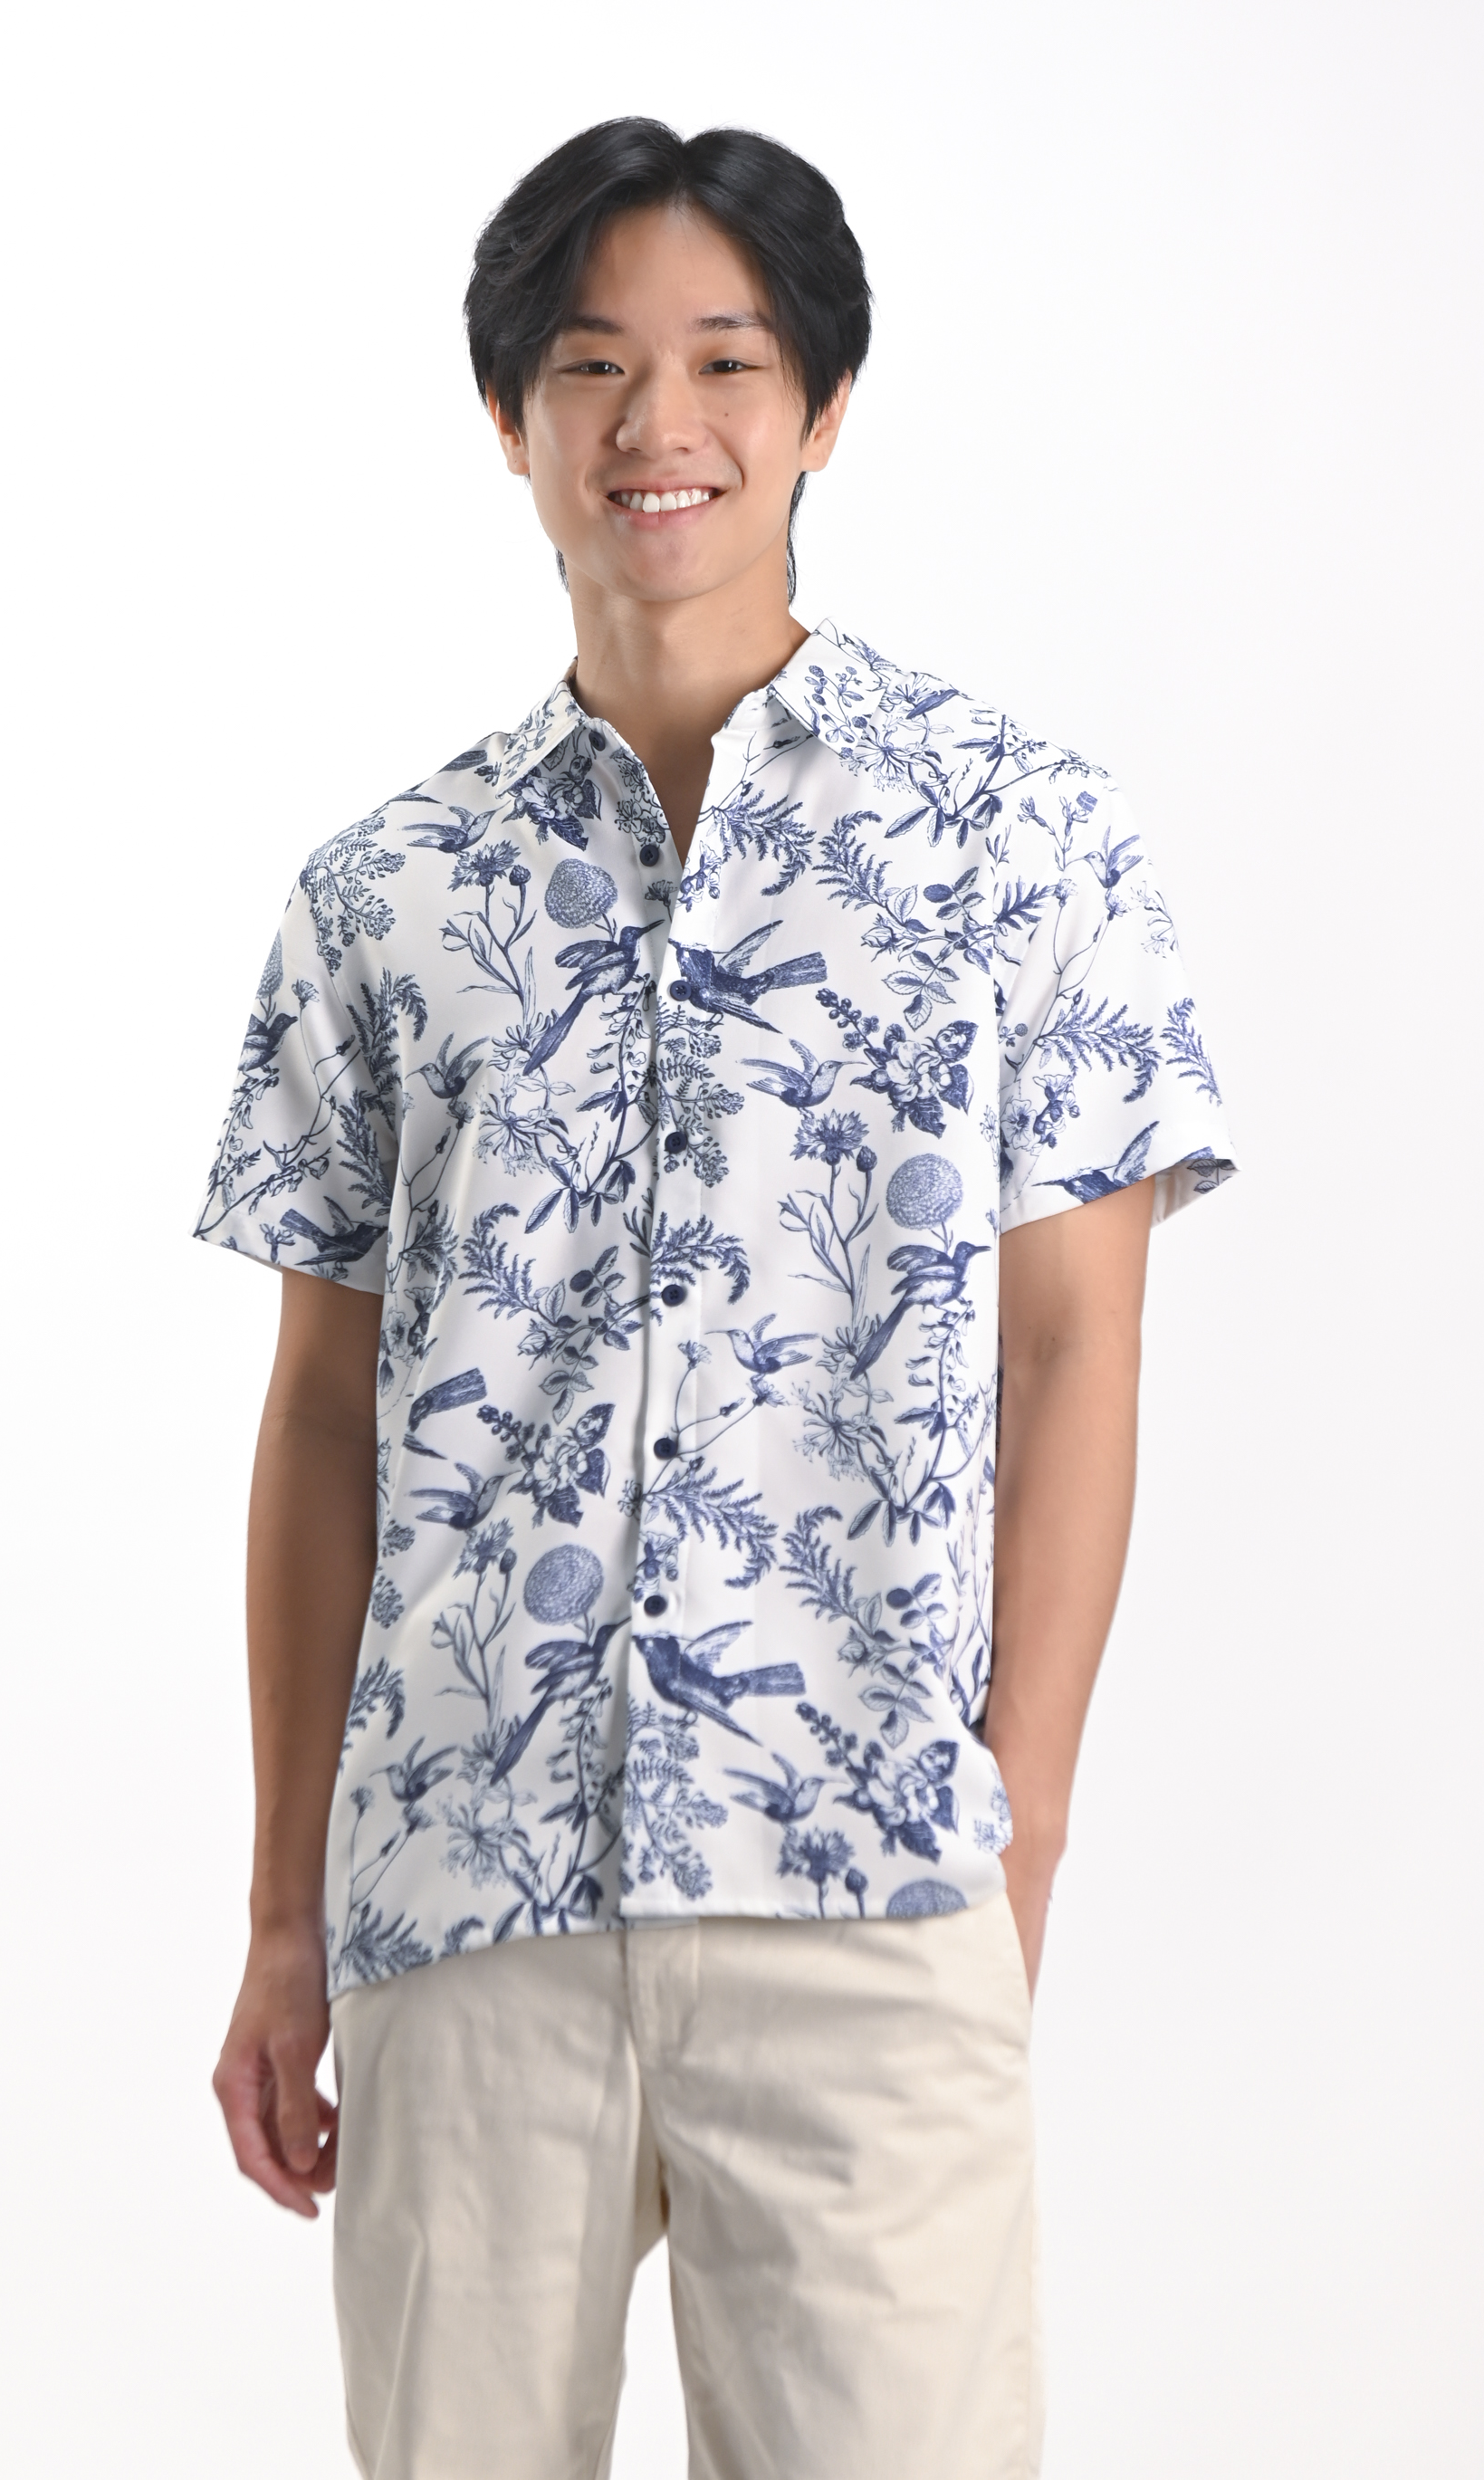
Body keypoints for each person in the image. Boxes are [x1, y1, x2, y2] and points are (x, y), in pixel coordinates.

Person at [200, 117, 1236, 2480]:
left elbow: (1075, 1344)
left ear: (822, 408)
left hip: (866, 1886)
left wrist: (1017, 1828)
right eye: (591, 364)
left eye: (723, 361)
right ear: (511, 418)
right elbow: (325, 1417)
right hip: (467, 1893)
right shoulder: (385, 895)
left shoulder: (1020, 840)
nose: (656, 422)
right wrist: (282, 1913)